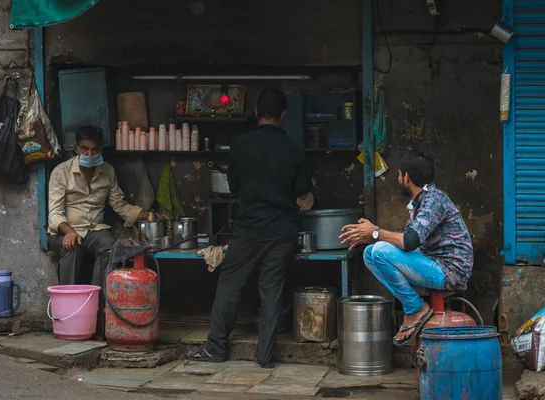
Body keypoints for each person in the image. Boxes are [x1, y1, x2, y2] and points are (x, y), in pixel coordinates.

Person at [186, 88, 312, 367]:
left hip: (248, 229)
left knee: (230, 285)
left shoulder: (240, 145)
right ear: (283, 115)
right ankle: (265, 358)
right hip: (282, 231)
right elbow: (302, 190)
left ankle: (216, 348)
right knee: (272, 292)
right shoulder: (293, 148)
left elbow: (234, 187)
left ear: (256, 112)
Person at [339, 151, 473, 346]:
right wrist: (369, 236)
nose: (398, 179)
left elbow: (410, 241)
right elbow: (406, 237)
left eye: (399, 175)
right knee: (370, 253)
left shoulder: (434, 200)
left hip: (449, 271)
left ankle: (415, 309)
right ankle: (415, 307)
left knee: (379, 250)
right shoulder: (423, 200)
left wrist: (375, 232)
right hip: (433, 262)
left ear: (406, 177)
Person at [48, 125, 148, 285]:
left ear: (100, 148)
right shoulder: (61, 172)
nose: (89, 154)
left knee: (109, 247)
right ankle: (68, 301)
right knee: (72, 248)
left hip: (94, 231)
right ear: (76, 148)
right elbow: (55, 212)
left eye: (94, 150)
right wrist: (70, 232)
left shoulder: (107, 171)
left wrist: (148, 215)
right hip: (64, 232)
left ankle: (99, 300)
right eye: (84, 149)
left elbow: (119, 205)